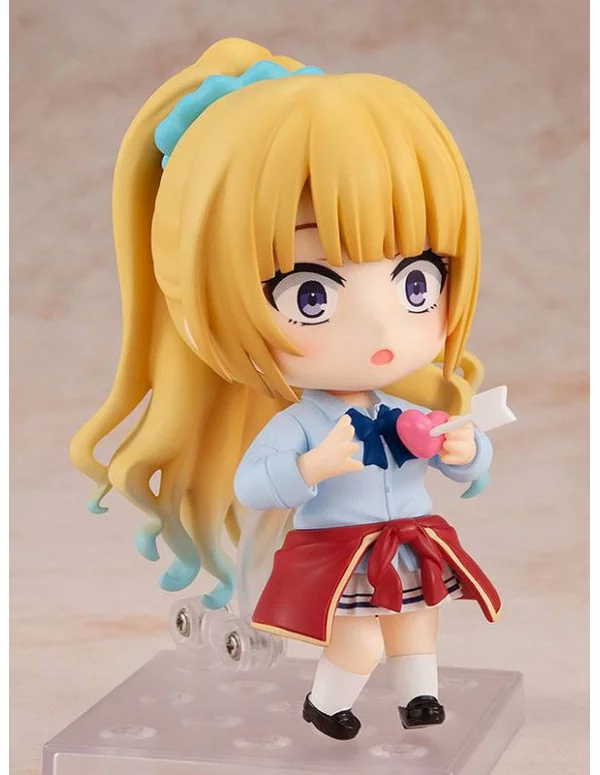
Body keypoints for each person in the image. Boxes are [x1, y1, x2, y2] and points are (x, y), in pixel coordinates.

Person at [70, 37, 500, 741]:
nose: (381, 326)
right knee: (359, 636)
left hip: (408, 536)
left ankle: (420, 696)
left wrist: (463, 448)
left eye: (417, 281)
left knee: (417, 619)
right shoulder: (305, 423)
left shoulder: (402, 408)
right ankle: (328, 703)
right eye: (311, 293)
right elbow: (253, 483)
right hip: (342, 548)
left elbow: (467, 460)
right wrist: (311, 466)